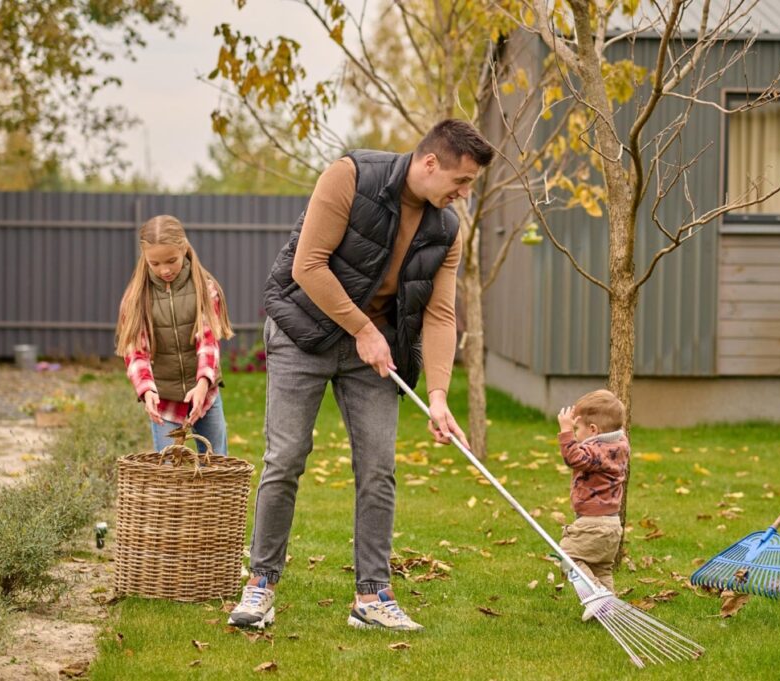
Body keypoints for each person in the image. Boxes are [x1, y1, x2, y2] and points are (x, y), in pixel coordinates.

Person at [228, 119, 495, 632]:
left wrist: (438, 395)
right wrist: (360, 328)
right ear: (430, 163)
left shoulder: (446, 229)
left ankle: (372, 596)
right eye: (460, 182)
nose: (464, 195)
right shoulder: (350, 175)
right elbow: (308, 265)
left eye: (470, 187)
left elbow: (440, 315)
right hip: (303, 332)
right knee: (285, 457)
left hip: (373, 352)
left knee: (378, 467)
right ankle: (261, 584)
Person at [115, 215, 234, 455]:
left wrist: (202, 385)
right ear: (144, 258)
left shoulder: (205, 287)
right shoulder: (136, 298)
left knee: (215, 464)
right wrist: (146, 390)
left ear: (184, 248)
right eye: (155, 264)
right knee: (168, 470)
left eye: (171, 260)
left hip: (205, 393)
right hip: (164, 400)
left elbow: (208, 342)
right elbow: (135, 351)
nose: (165, 269)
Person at [556, 389, 630, 621]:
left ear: (594, 431)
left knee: (568, 555)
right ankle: (609, 609)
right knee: (600, 568)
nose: (576, 434)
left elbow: (573, 458)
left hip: (593, 524)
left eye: (579, 429)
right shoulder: (620, 444)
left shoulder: (596, 451)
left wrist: (566, 431)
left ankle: (598, 597)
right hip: (611, 525)